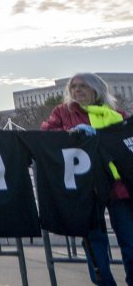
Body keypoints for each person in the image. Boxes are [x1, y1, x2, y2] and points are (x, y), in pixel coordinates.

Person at [41, 72, 131, 286]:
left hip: (119, 187)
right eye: (73, 87)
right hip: (86, 188)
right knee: (95, 245)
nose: (77, 90)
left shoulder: (117, 115)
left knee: (130, 241)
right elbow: (46, 134)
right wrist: (70, 132)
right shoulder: (63, 113)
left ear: (96, 89)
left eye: (82, 86)